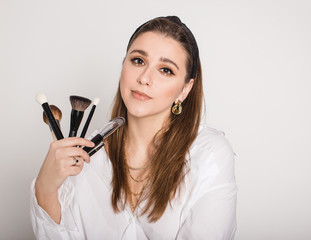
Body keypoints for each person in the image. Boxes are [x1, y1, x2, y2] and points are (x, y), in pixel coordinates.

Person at [30, 16, 237, 239]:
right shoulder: (85, 155)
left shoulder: (209, 156)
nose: (145, 78)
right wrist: (45, 187)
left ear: (185, 89)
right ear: (123, 65)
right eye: (138, 61)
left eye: (166, 70)